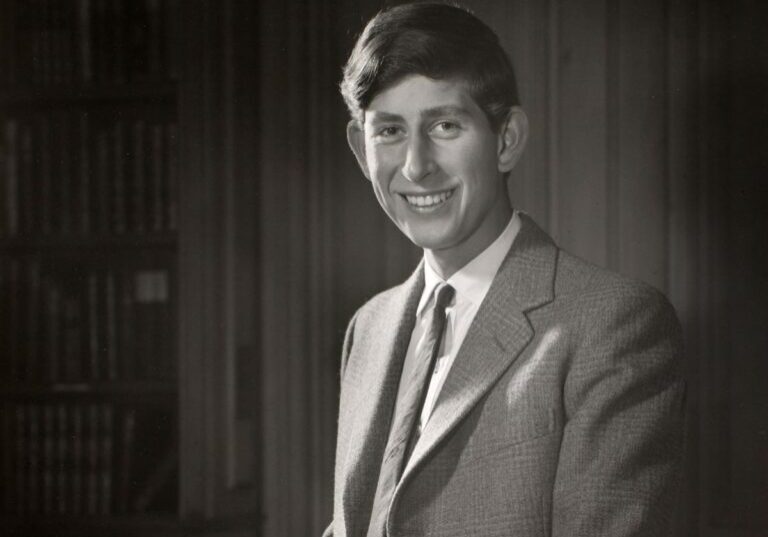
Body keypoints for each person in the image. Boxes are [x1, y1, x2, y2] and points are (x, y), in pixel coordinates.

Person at [325, 3, 685, 536]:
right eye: (390, 131)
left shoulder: (612, 324)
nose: (416, 166)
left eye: (445, 125)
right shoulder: (369, 329)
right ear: (361, 149)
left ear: (507, 139)